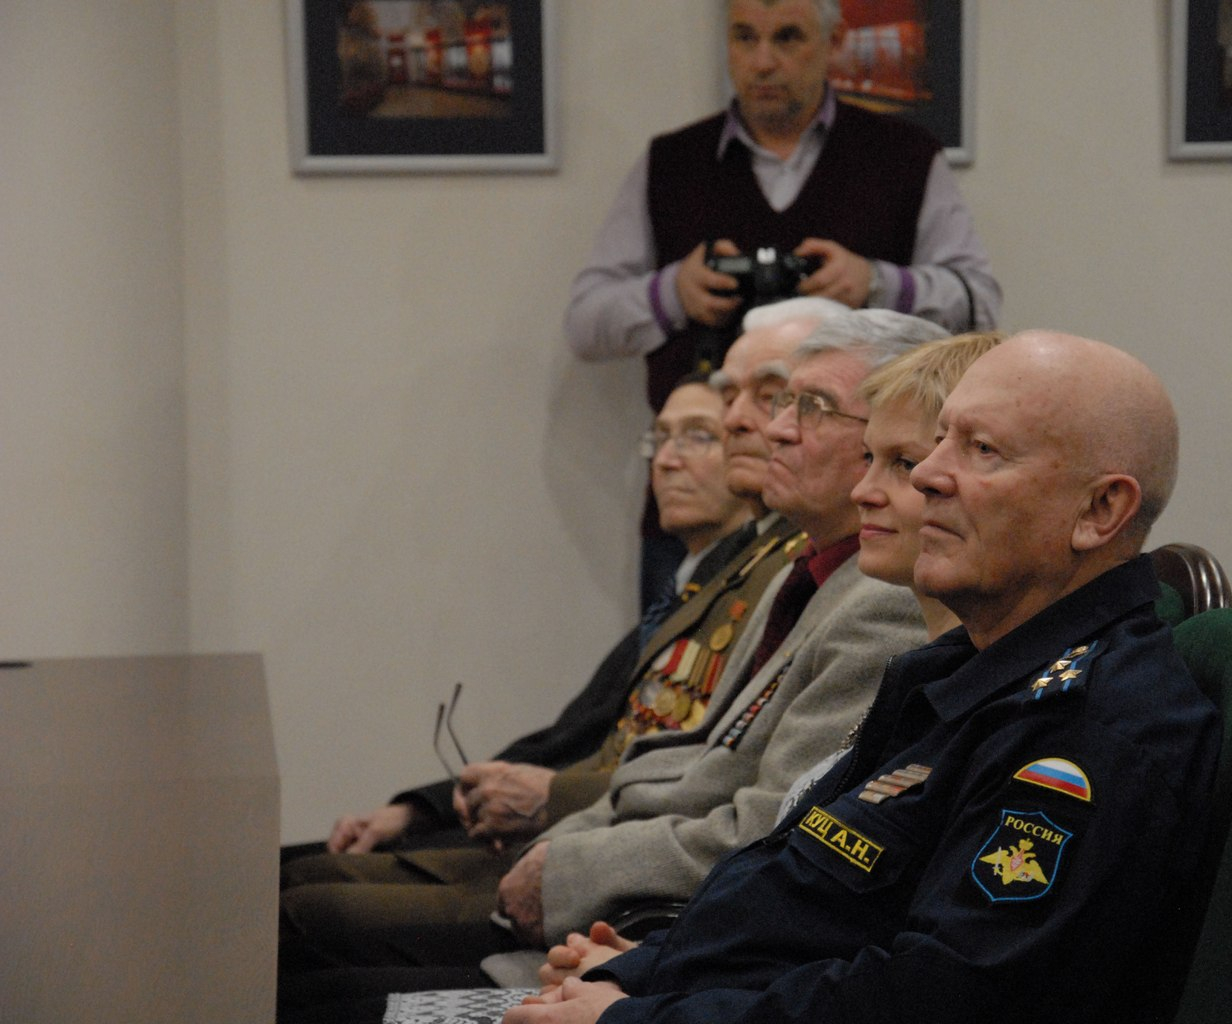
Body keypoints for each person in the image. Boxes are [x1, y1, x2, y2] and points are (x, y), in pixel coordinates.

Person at [504, 331, 1219, 1024]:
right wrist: (641, 973)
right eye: (940, 440)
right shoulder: (958, 672)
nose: (929, 475)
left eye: (982, 450)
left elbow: (937, 999)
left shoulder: (1091, 728)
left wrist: (640, 1018)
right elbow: (798, 898)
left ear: (1100, 510)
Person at [278, 365, 810, 993]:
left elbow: (706, 785)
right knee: (286, 885)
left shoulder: (779, 582)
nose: (667, 461)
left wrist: (551, 814)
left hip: (618, 869)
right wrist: (424, 807)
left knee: (294, 915)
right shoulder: (711, 582)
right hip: (581, 834)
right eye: (662, 437)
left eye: (700, 435)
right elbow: (578, 732)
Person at [536, 329, 1005, 991]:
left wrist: (641, 991)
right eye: (875, 459)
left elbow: (902, 972)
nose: (868, 491)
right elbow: (791, 873)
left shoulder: (921, 641)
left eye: (903, 463)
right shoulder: (923, 664)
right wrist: (647, 968)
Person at [566, 0, 1001, 416]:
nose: (763, 62)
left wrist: (877, 284)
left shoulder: (906, 155)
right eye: (744, 37)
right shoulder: (672, 162)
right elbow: (584, 324)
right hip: (705, 449)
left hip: (858, 447)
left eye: (788, 37)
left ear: (834, 42)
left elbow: (980, 305)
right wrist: (673, 293)